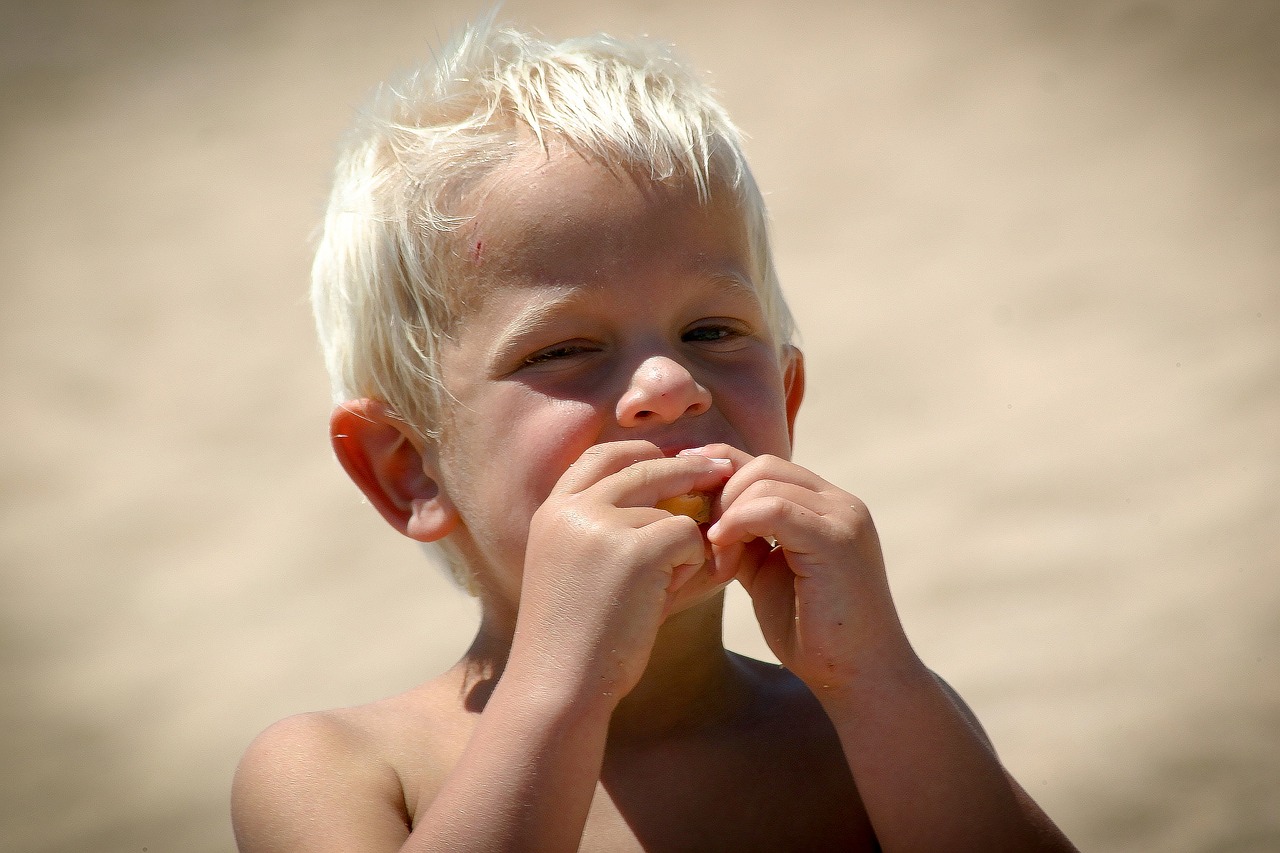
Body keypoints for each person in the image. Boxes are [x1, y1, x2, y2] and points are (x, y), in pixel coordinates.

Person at [231, 15, 1077, 852]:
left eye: (711, 331)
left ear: (786, 397)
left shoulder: (873, 726)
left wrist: (876, 674)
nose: (671, 387)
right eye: (563, 349)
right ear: (409, 467)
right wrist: (560, 691)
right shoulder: (339, 770)